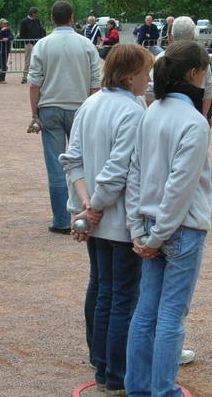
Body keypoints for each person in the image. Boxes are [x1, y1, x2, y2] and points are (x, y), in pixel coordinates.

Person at [60, 43, 154, 395]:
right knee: (121, 298)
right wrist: (95, 206)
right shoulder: (133, 111)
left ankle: (101, 365)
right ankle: (116, 375)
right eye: (145, 73)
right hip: (118, 222)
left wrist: (85, 205)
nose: (148, 80)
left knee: (102, 291)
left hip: (94, 220)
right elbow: (117, 171)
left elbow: (73, 160)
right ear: (129, 75)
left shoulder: (91, 103)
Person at [124, 40, 212, 397]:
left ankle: (138, 387)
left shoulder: (151, 112)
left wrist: (139, 230)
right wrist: (157, 235)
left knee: (146, 311)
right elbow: (180, 187)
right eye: (205, 70)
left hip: (151, 225)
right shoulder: (194, 122)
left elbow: (135, 173)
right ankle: (163, 390)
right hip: (179, 229)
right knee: (171, 315)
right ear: (194, 73)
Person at [28, 0, 101, 234]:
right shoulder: (86, 45)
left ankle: (60, 219)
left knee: (55, 166)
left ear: (52, 19)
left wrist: (34, 114)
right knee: (85, 163)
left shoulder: (42, 45)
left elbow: (34, 83)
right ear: (72, 18)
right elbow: (95, 83)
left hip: (50, 107)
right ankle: (87, 211)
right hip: (81, 108)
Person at [19, 7, 46, 84]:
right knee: (28, 60)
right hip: (29, 44)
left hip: (38, 43)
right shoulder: (24, 21)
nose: (38, 15)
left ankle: (41, 76)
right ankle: (24, 77)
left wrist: (41, 40)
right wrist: (27, 42)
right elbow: (22, 33)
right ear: (33, 13)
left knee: (40, 59)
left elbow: (41, 31)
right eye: (37, 13)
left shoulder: (37, 21)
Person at [0, 18, 14, 84]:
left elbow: (12, 36)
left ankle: (2, 79)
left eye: (6, 23)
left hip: (6, 48)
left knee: (4, 64)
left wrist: (7, 38)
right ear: (0, 24)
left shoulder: (8, 29)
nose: (5, 24)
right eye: (4, 23)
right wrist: (1, 30)